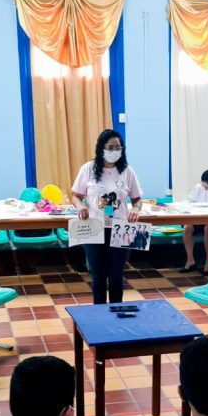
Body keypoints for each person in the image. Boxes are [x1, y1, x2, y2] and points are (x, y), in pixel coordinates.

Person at [71, 129, 143, 304]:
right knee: (98, 276)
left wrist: (135, 209)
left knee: (117, 276)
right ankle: (99, 315)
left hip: (120, 228)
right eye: (110, 147)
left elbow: (137, 199)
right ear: (101, 148)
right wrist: (80, 206)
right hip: (93, 227)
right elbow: (75, 195)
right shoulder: (88, 169)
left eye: (118, 147)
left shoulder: (127, 171)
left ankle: (116, 313)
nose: (114, 151)